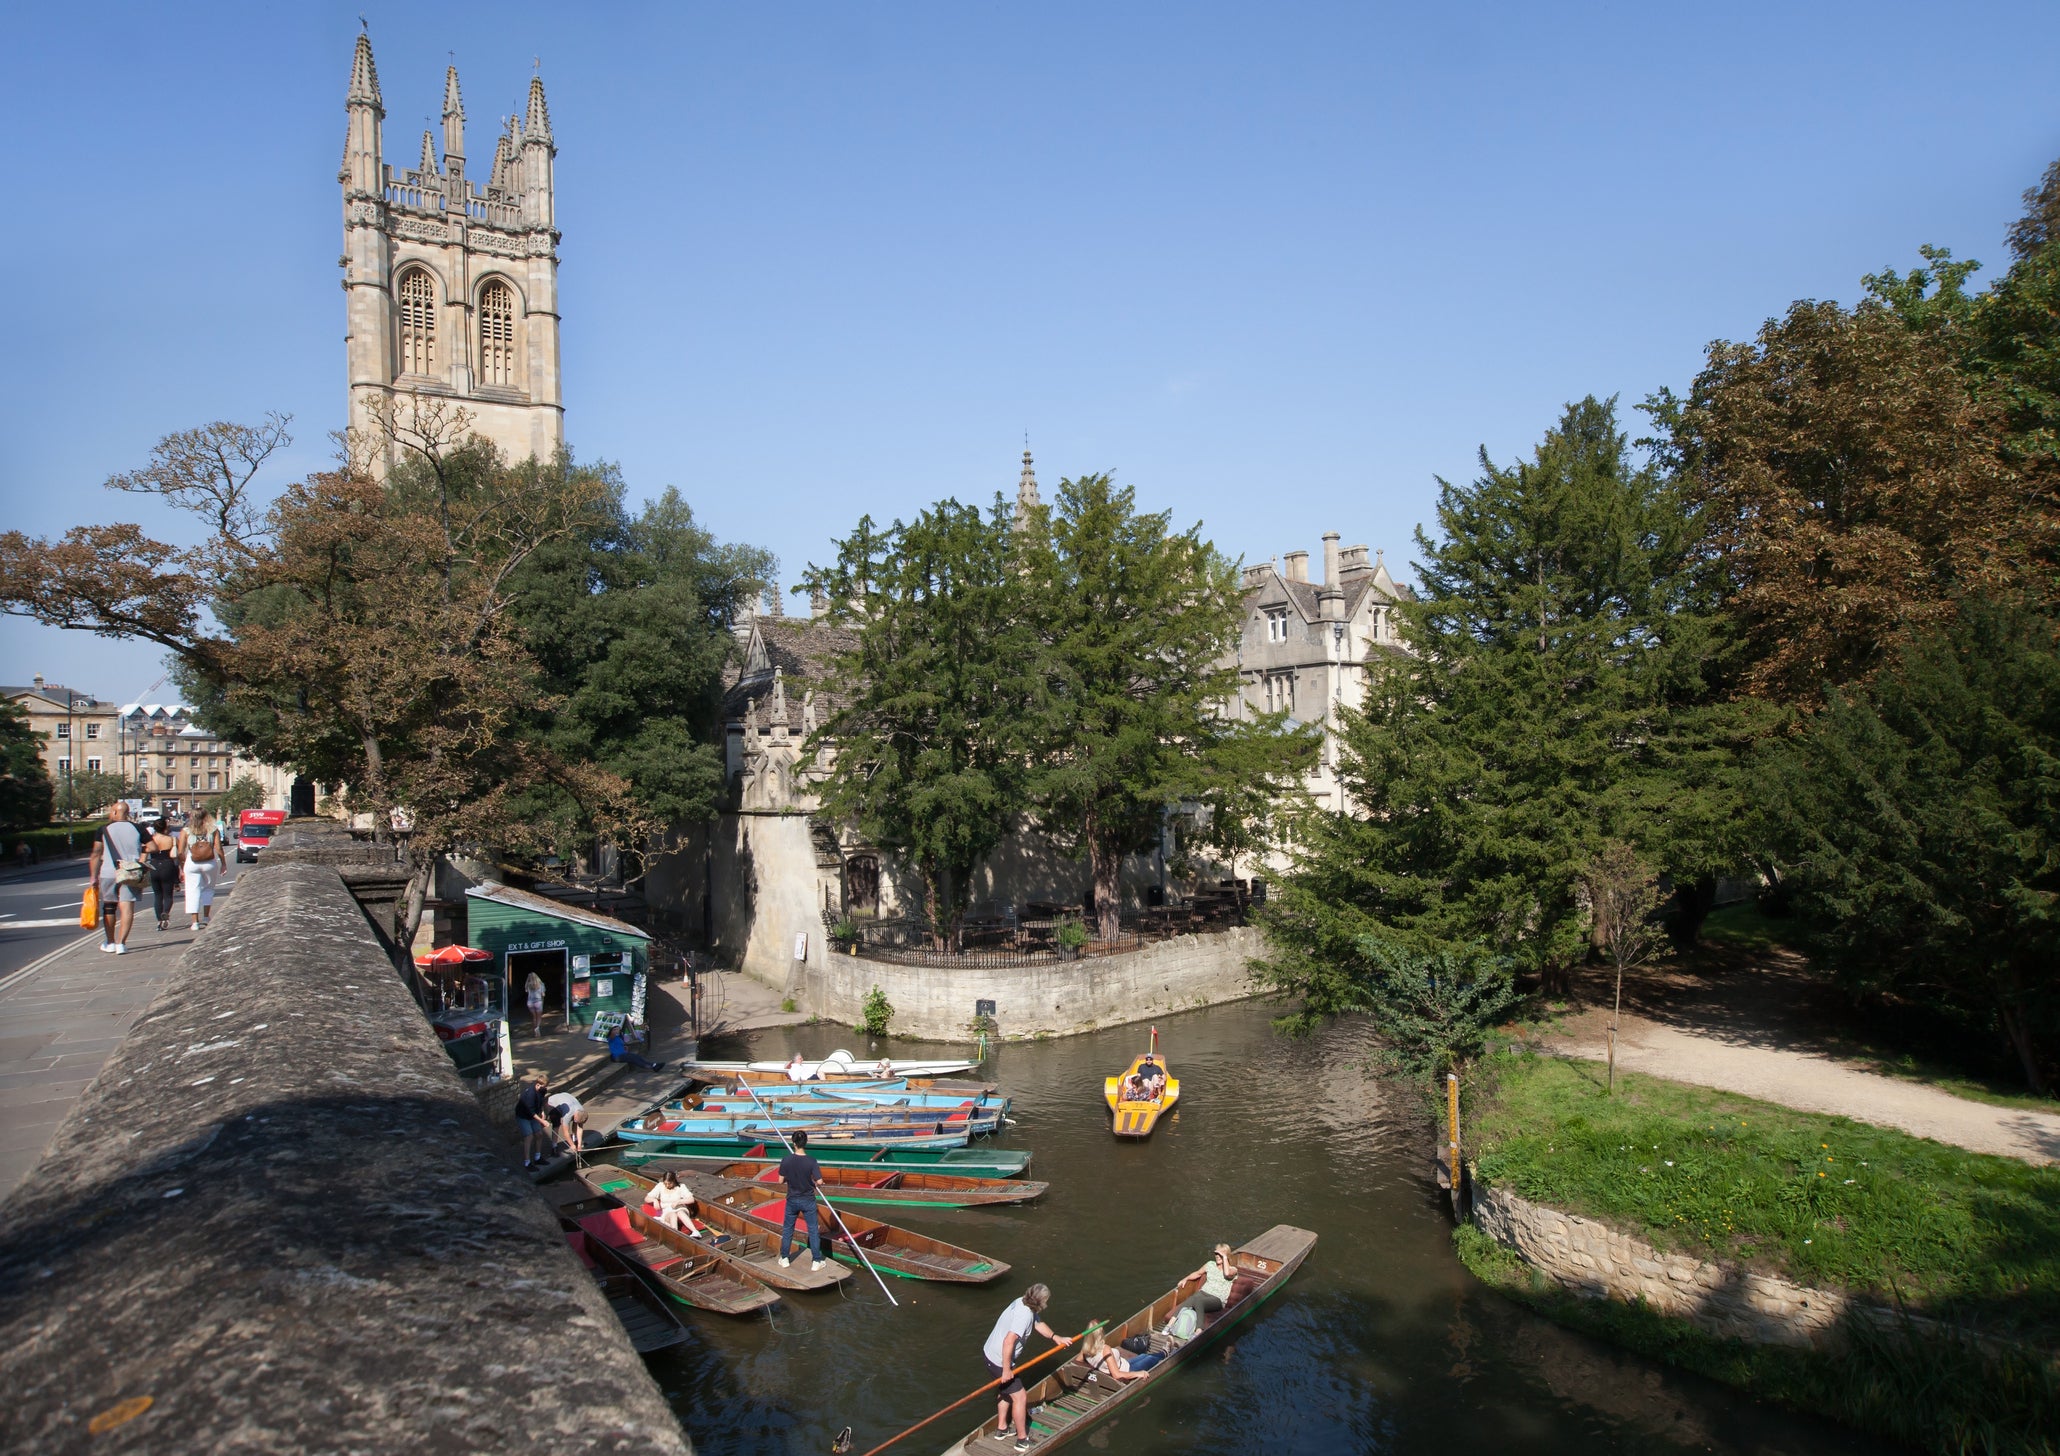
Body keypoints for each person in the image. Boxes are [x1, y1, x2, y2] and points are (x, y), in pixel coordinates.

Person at [982, 1283, 1072, 1452]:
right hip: (999, 1360)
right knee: (1020, 1397)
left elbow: (1037, 1324)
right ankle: (1022, 1440)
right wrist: (1007, 1369)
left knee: (1006, 1391)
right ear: (1042, 1303)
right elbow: (1008, 1341)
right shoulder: (1024, 1316)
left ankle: (1002, 1429)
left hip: (989, 1354)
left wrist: (1055, 1337)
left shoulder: (1021, 1302)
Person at [87, 802, 144, 955]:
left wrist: (93, 876)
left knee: (109, 907)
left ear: (113, 812)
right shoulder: (138, 828)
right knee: (127, 908)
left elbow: (96, 853)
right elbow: (153, 847)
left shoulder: (104, 829)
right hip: (130, 872)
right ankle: (122, 944)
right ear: (128, 812)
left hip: (108, 872)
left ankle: (110, 942)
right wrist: (140, 856)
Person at [776, 1130, 828, 1271]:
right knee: (813, 1230)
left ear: (793, 1143)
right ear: (805, 1143)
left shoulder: (786, 1160)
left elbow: (780, 1181)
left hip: (792, 1199)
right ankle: (816, 1261)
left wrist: (791, 1177)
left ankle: (785, 1258)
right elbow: (820, 1181)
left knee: (788, 1229)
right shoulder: (811, 1161)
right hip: (808, 1199)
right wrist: (812, 1182)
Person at [179, 809, 223, 931]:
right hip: (209, 862)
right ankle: (206, 917)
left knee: (192, 890)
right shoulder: (213, 830)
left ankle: (194, 922)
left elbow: (180, 851)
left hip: (192, 862)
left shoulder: (186, 831)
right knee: (208, 888)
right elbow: (218, 848)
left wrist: (181, 866)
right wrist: (223, 864)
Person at [1175, 1244, 1237, 1320]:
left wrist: (1224, 1257)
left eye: (1220, 1254)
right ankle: (1169, 1326)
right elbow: (1198, 1273)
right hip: (1204, 1294)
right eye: (1216, 1253)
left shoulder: (1233, 1269)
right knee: (1191, 1299)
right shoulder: (1210, 1264)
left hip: (1217, 1300)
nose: (1217, 1256)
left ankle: (1199, 1330)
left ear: (1226, 1256)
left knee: (1198, 1301)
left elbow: (1227, 1274)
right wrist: (1185, 1279)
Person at [1080, 1329, 1163, 1384]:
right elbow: (1117, 1375)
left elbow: (1077, 1362)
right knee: (1151, 1358)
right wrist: (1138, 1373)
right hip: (1127, 1371)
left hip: (1123, 1364)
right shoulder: (1105, 1349)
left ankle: (1164, 1352)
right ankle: (1166, 1353)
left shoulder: (1085, 1348)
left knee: (1143, 1355)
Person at [143, 820, 181, 932]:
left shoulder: (150, 840)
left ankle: (159, 921)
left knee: (158, 895)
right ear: (165, 828)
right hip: (168, 865)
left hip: (154, 866)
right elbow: (178, 856)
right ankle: (165, 912)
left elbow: (143, 856)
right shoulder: (172, 839)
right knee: (168, 895)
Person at [515, 1075, 552, 1168]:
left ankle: (537, 1157)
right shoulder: (531, 1094)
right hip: (523, 1116)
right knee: (529, 1136)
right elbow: (530, 1112)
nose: (545, 1089)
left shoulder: (542, 1090)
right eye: (544, 1087)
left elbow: (542, 1100)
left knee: (539, 1134)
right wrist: (542, 1121)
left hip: (533, 1115)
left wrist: (543, 1111)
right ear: (538, 1085)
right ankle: (527, 1162)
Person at [524, 971, 546, 1035]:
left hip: (530, 1002)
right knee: (539, 1017)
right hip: (538, 1002)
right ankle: (537, 1028)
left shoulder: (528, 985)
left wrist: (527, 980)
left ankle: (534, 1030)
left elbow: (526, 991)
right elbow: (543, 994)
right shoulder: (541, 984)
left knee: (534, 1017)